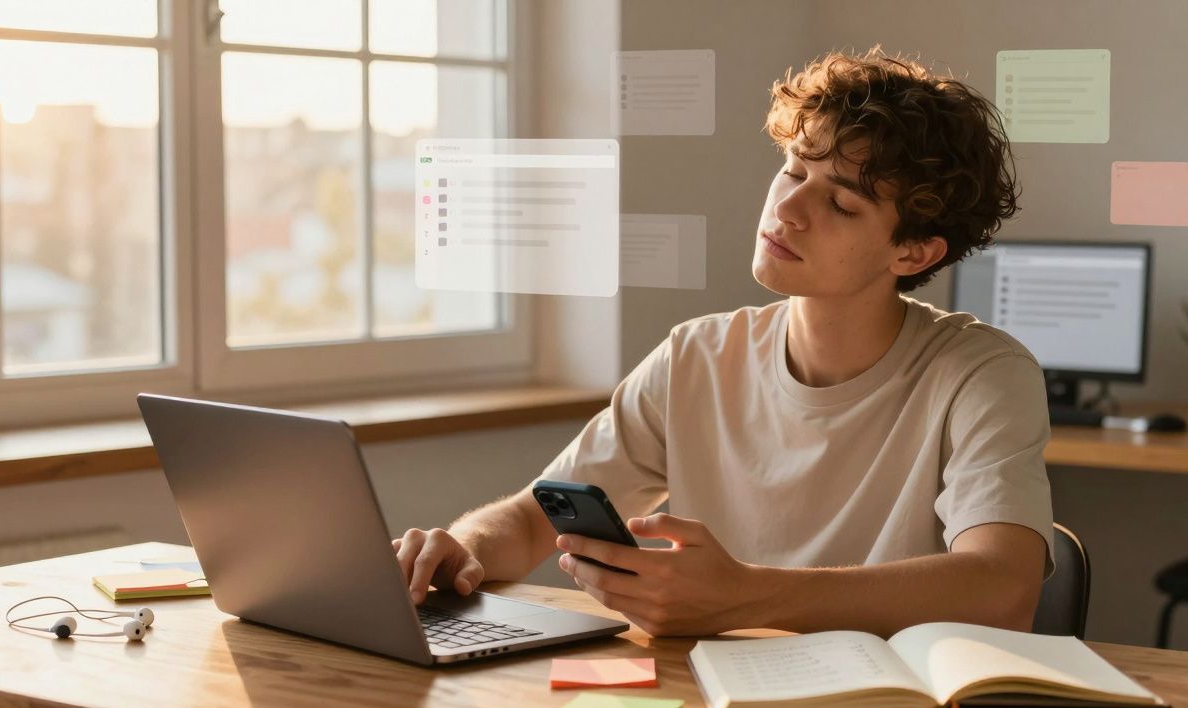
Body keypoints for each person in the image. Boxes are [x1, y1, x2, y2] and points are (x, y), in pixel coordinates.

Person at [392, 47, 1053, 638]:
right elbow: (536, 518)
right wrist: (461, 547)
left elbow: (1002, 588)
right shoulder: (696, 357)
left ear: (913, 251)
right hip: (716, 702)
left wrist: (746, 597)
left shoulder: (982, 373)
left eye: (841, 205)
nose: (788, 211)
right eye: (794, 173)